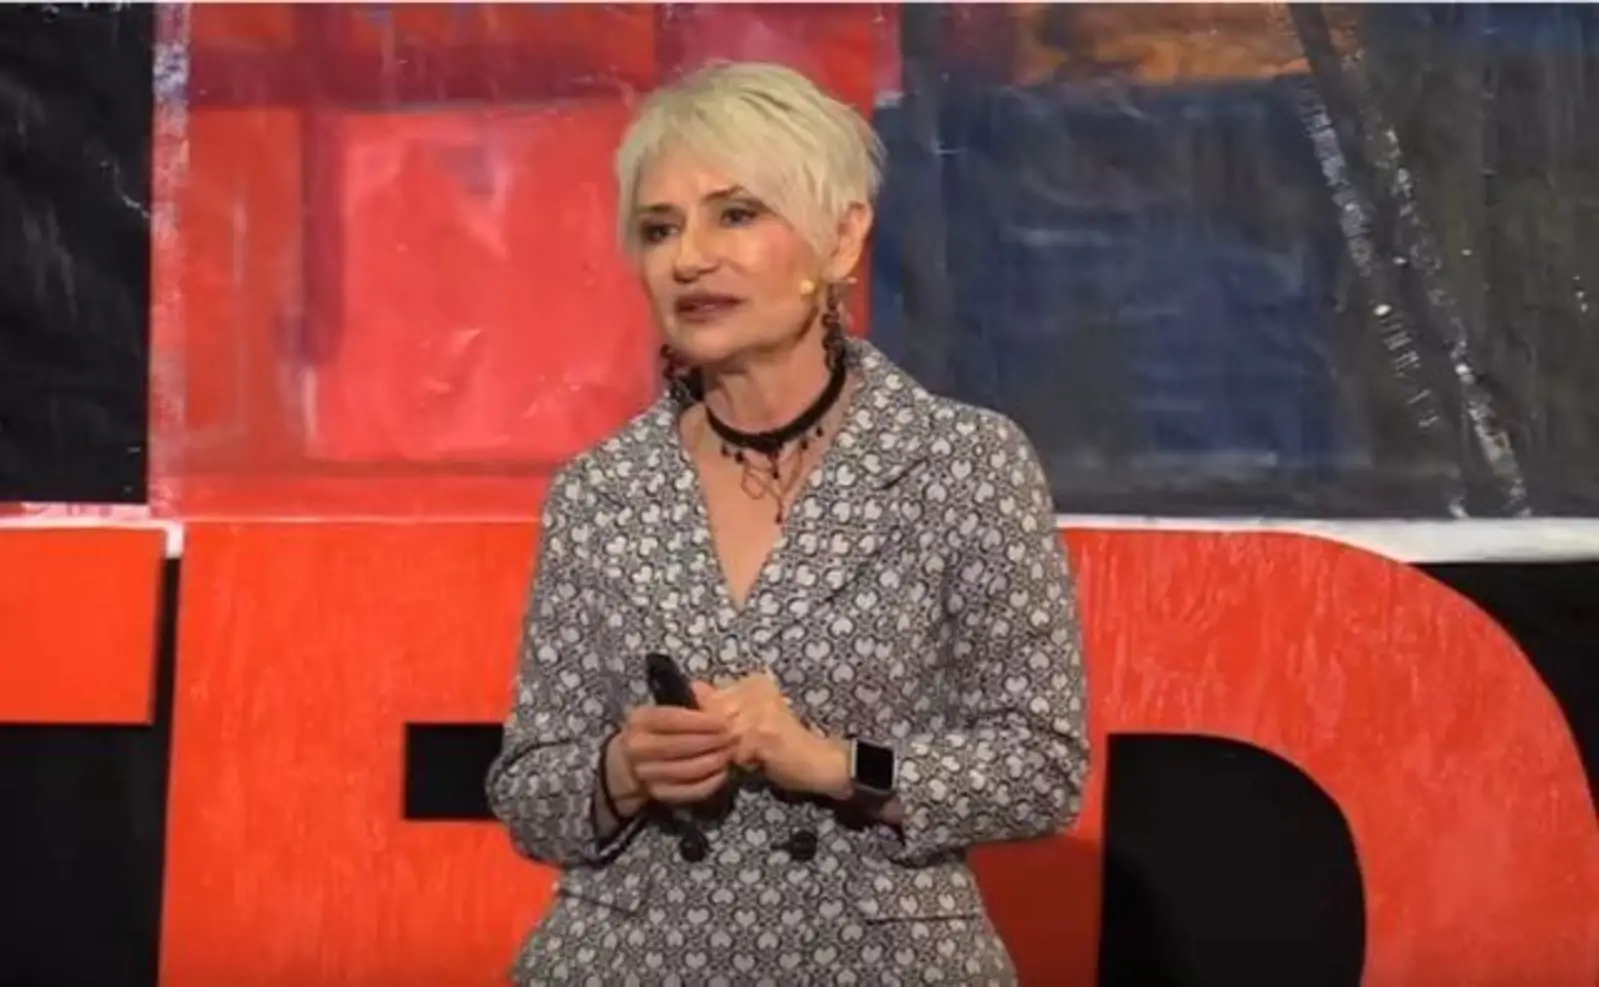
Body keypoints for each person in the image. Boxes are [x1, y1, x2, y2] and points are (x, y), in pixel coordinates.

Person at [486, 60, 1091, 986]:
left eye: (735, 214)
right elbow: (530, 792)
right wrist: (621, 768)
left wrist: (836, 762)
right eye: (659, 228)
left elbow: (1038, 768)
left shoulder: (960, 463)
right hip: (626, 961)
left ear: (841, 239)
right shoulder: (600, 491)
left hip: (876, 962)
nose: (690, 258)